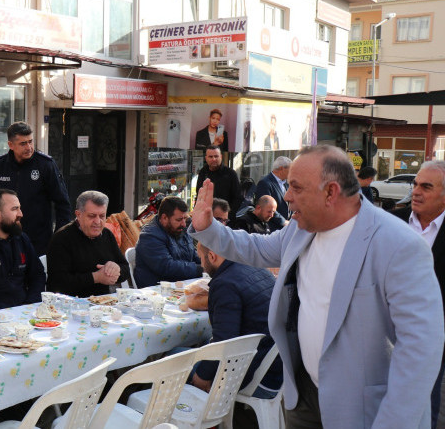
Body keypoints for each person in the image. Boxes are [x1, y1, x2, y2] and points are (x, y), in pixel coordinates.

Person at [189, 145, 443, 428]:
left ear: (331, 192)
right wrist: (209, 229)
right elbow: (255, 248)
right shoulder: (301, 228)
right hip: (304, 392)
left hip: (364, 409)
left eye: (296, 187)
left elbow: (421, 350)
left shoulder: (399, 245)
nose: (286, 196)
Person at [190, 243, 282, 428]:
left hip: (259, 376)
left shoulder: (225, 283)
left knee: (173, 366)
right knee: (182, 353)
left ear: (213, 256)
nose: (201, 263)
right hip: (280, 369)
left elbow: (224, 344)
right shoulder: (255, 266)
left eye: (201, 257)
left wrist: (202, 376)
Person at [391, 161, 445, 429]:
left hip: (430, 333)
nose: (416, 191)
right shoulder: (393, 222)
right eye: (415, 185)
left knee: (424, 401)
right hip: (384, 329)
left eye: (426, 186)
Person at [0, 121, 72, 255]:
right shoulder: (0, 166)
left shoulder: (46, 165)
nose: (29, 147)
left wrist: (59, 238)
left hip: (39, 242)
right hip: (6, 240)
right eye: (23, 143)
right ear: (11, 145)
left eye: (30, 141)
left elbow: (63, 204)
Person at [47, 190, 130, 297]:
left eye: (102, 216)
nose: (98, 221)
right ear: (78, 214)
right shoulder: (61, 238)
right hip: (68, 306)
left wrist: (116, 269)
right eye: (92, 216)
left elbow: (125, 269)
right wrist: (95, 277)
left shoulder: (107, 234)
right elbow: (58, 283)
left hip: (102, 304)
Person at [134, 197, 203, 287]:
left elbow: (193, 255)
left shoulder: (180, 229)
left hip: (180, 286)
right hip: (156, 292)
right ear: (164, 218)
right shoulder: (149, 235)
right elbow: (167, 267)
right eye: (179, 220)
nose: (183, 224)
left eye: (184, 219)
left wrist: (209, 264)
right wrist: (201, 269)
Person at [195, 145, 242, 220]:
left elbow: (238, 198)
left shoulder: (230, 174)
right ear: (206, 158)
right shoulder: (203, 172)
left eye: (216, 156)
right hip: (206, 217)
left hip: (225, 219)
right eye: (210, 157)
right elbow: (199, 195)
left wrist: (227, 217)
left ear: (221, 157)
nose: (214, 159)